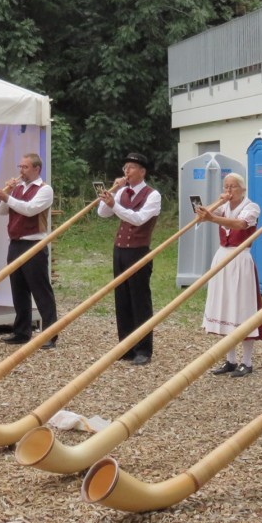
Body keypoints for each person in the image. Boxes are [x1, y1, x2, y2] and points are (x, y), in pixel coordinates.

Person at [97, 151, 161, 365]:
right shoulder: (122, 191)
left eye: (131, 168)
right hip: (120, 250)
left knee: (140, 300)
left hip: (138, 251)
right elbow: (102, 214)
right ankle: (125, 347)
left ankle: (143, 349)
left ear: (142, 172)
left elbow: (139, 219)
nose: (126, 171)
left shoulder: (153, 195)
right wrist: (112, 193)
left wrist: (115, 204)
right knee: (122, 298)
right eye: (125, 168)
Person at [197, 173, 262, 377]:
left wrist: (213, 218)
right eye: (226, 186)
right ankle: (230, 359)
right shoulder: (223, 205)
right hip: (222, 256)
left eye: (233, 187)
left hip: (240, 258)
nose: (229, 190)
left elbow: (241, 225)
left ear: (242, 189)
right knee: (225, 304)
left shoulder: (252, 207)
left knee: (242, 306)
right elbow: (202, 215)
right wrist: (217, 202)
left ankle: (247, 361)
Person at [0, 153, 58, 349]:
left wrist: (7, 197)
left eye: (25, 167)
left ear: (37, 169)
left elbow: (30, 209)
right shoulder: (18, 188)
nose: (21, 171)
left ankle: (50, 334)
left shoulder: (45, 190)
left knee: (41, 290)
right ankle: (21, 331)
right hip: (15, 244)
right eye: (20, 167)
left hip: (34, 244)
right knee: (18, 289)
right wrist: (6, 194)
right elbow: (1, 211)